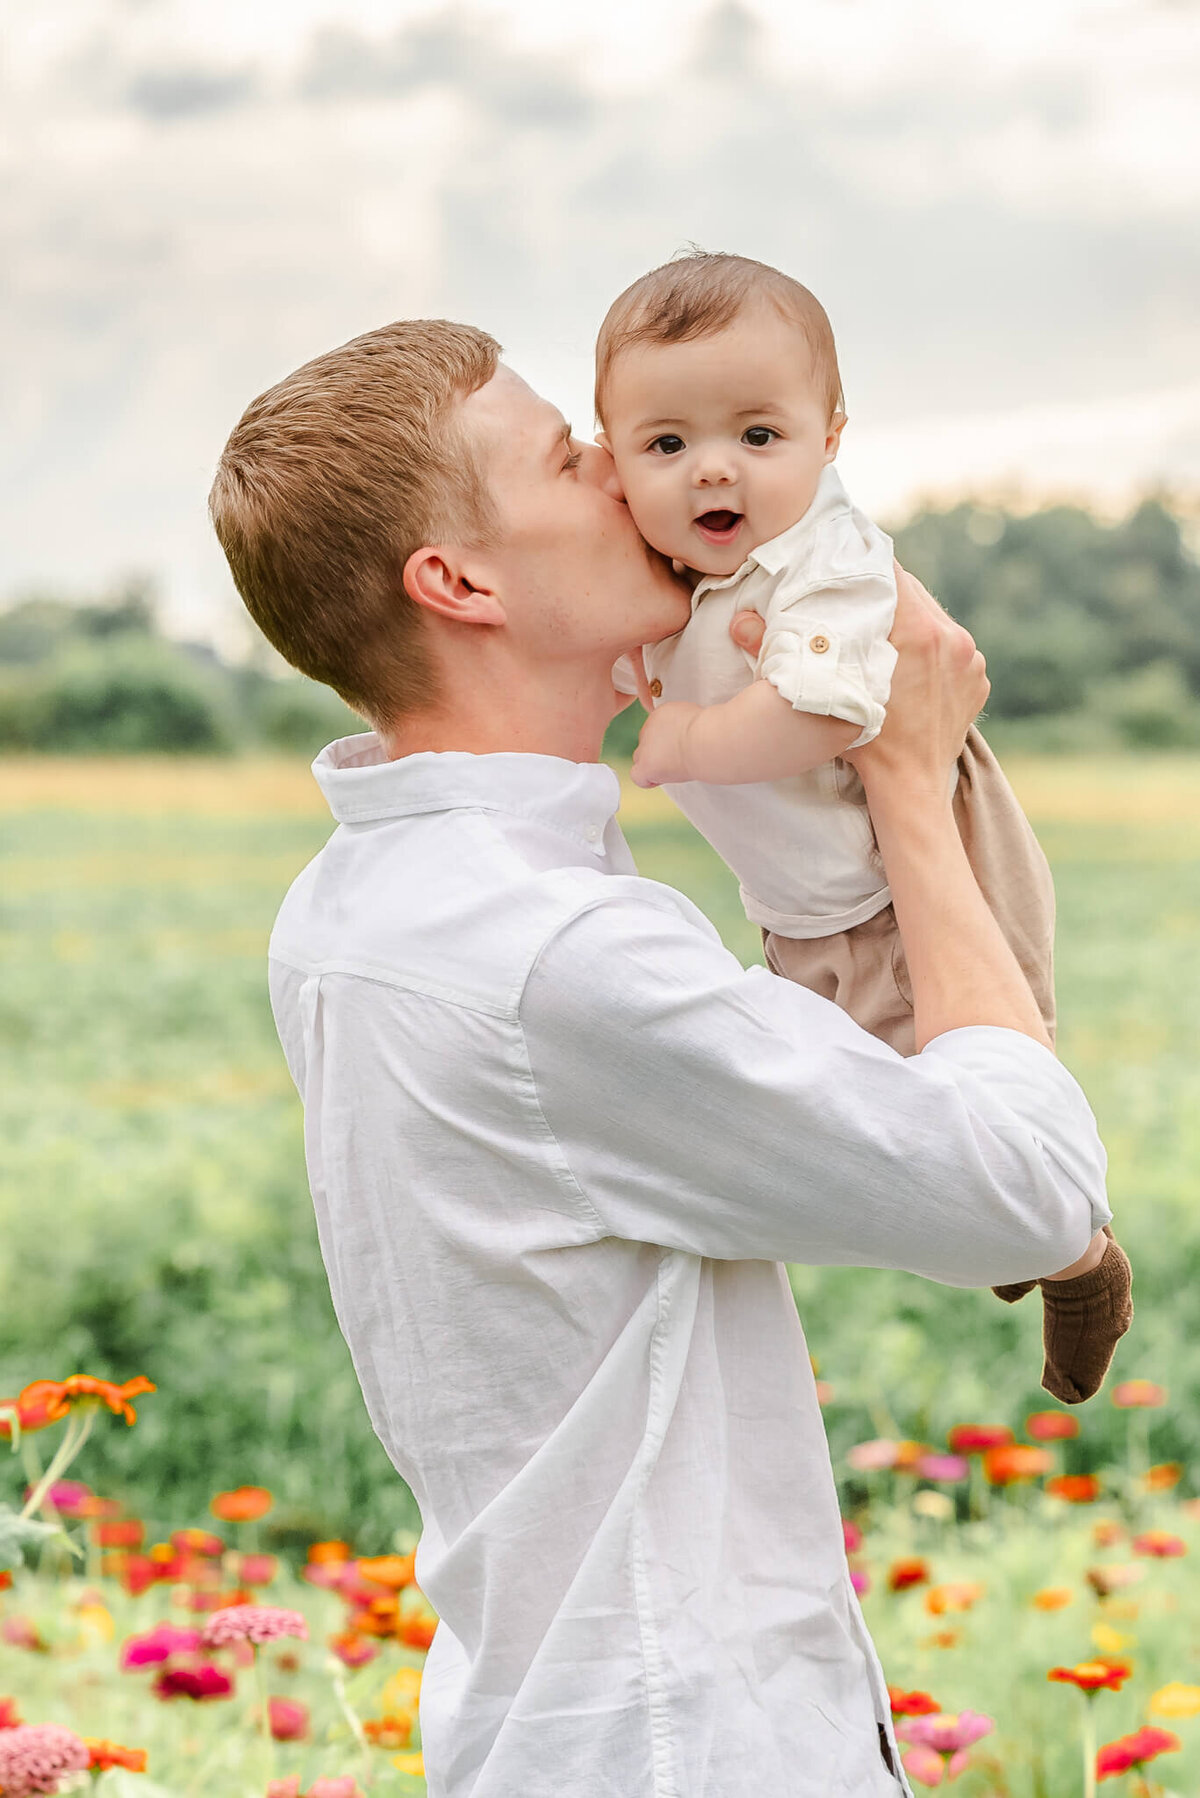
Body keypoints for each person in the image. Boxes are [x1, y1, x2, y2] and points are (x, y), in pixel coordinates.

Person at [209, 318, 1111, 1798]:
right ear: (460, 580)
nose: (631, 475)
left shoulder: (349, 907)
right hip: (689, 1746)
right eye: (572, 455)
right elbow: (1025, 1187)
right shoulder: (556, 953)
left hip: (562, 1721)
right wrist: (901, 775)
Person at [596, 251, 1131, 1405]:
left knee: (976, 1086)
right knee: (875, 1120)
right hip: (803, 907)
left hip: (917, 862)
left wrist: (685, 741)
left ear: (831, 438)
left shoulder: (822, 560)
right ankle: (1014, 1236)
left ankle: (1080, 1264)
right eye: (667, 444)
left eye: (758, 434)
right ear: (613, 457)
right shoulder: (671, 570)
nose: (713, 471)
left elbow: (820, 709)